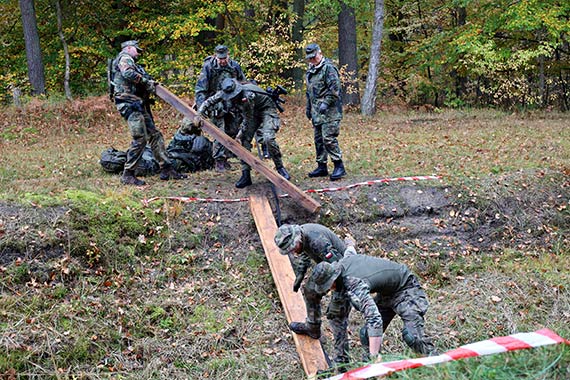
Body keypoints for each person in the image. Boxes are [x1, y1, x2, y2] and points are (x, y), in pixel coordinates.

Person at [301, 252, 438, 367]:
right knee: (367, 334)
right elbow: (350, 249)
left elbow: (374, 318)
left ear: (334, 278)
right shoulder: (341, 264)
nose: (330, 289)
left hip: (406, 289)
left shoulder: (354, 283)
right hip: (387, 293)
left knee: (412, 337)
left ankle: (439, 365)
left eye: (329, 285)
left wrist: (374, 357)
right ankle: (371, 370)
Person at [274, 223, 352, 365]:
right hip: (329, 270)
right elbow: (305, 254)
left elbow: (341, 265)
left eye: (292, 249)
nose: (292, 252)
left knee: (336, 316)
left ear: (297, 239)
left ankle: (342, 362)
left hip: (345, 274)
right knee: (310, 290)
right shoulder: (302, 236)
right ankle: (312, 327)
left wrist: (336, 292)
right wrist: (300, 275)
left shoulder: (318, 242)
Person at [111, 40, 187, 185]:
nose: (138, 52)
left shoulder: (132, 61)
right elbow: (127, 73)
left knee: (155, 135)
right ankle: (128, 174)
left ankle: (166, 168)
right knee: (140, 139)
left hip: (138, 103)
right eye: (136, 50)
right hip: (129, 104)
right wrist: (146, 82)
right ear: (128, 48)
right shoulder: (125, 58)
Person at [199, 78, 290, 188]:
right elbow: (209, 101)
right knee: (244, 142)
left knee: (267, 138)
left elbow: (247, 120)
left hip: (266, 109)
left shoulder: (247, 96)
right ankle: (245, 175)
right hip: (251, 113)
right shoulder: (224, 91)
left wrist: (238, 135)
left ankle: (280, 168)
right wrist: (198, 115)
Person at [195, 45, 246, 172]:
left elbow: (243, 83)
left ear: (228, 55)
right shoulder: (208, 67)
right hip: (215, 104)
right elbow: (200, 89)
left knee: (232, 130)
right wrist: (202, 107)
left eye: (224, 58)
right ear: (216, 56)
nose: (222, 61)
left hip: (232, 103)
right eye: (220, 58)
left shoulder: (234, 66)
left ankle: (226, 156)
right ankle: (219, 160)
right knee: (219, 132)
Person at [304, 43, 346, 181]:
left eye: (314, 57)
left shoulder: (328, 68)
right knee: (319, 140)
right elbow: (309, 92)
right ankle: (322, 166)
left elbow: (335, 90)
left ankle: (338, 165)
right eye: (310, 58)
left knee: (328, 138)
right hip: (317, 112)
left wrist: (326, 103)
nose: (312, 60)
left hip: (330, 111)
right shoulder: (310, 71)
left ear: (319, 53)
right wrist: (309, 108)